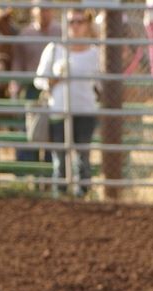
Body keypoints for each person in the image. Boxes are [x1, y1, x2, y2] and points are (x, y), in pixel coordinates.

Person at [34, 7, 100, 198]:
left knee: (82, 155)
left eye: (80, 22)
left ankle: (82, 194)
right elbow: (39, 80)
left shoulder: (95, 53)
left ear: (87, 25)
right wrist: (53, 79)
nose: (75, 26)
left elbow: (101, 84)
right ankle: (59, 194)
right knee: (59, 158)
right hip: (59, 110)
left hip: (85, 110)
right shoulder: (55, 49)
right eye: (72, 21)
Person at [10, 1, 60, 163]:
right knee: (30, 130)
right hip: (32, 88)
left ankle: (49, 174)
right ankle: (26, 175)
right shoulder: (25, 35)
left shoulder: (61, 32)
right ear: (33, 12)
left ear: (52, 11)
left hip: (56, 88)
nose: (44, 13)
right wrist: (15, 88)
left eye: (47, 9)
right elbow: (18, 64)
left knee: (53, 131)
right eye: (40, 10)